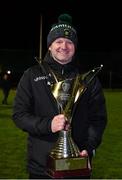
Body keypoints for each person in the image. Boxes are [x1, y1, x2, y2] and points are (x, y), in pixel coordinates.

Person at [12, 13, 107, 179]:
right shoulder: (32, 75)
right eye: (58, 41)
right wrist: (49, 125)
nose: (64, 46)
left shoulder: (88, 79)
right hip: (41, 167)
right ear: (49, 45)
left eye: (70, 42)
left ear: (75, 47)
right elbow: (19, 115)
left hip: (77, 163)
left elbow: (98, 119)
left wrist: (89, 148)